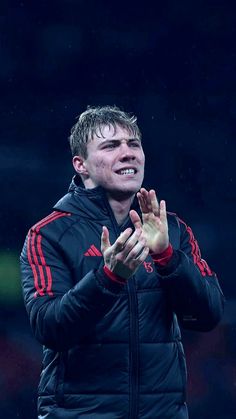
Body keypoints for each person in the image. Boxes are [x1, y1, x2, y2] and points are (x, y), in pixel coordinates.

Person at [20, 105, 224, 419]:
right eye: (111, 145)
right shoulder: (48, 235)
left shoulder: (173, 230)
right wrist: (108, 279)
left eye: (134, 144)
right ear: (81, 165)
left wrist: (167, 259)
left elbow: (208, 316)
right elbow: (50, 328)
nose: (128, 153)